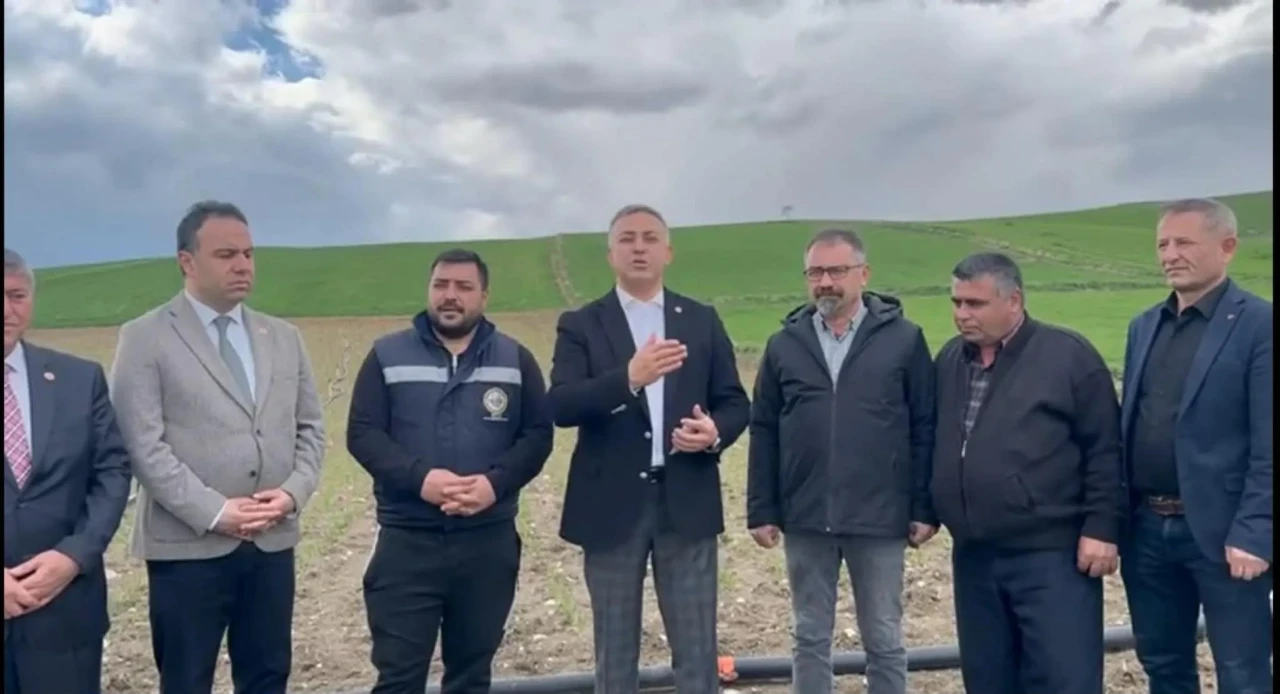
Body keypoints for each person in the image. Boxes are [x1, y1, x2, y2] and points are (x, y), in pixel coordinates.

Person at [108, 200, 327, 694]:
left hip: (271, 542)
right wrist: (215, 511)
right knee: (187, 680)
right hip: (188, 550)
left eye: (248, 254)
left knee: (268, 676)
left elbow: (311, 428)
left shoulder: (284, 337)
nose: (243, 265)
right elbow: (143, 445)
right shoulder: (144, 338)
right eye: (227, 255)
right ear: (187, 262)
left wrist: (291, 494)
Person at [548, 204, 751, 693]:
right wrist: (628, 379)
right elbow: (561, 404)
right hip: (610, 506)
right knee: (615, 650)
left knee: (697, 649)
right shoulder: (581, 324)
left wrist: (714, 432)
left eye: (649, 238)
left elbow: (735, 403)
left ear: (668, 252)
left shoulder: (700, 320)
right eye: (627, 239)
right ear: (610, 254)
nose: (639, 247)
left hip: (687, 501)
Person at [346, 248, 554, 694]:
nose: (450, 295)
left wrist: (494, 484)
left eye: (463, 286)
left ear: (484, 296)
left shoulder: (515, 360)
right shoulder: (386, 356)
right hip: (407, 544)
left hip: (487, 545)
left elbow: (538, 436)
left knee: (471, 677)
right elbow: (363, 434)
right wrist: (420, 479)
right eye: (441, 285)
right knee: (399, 677)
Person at [745, 228, 936, 694]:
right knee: (809, 635)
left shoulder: (905, 340)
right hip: (806, 513)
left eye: (836, 271)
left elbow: (925, 427)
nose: (825, 282)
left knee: (884, 637)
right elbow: (764, 429)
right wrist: (762, 508)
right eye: (815, 272)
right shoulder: (784, 345)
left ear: (863, 275)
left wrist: (924, 507)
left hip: (880, 515)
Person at [929, 252, 1123, 694]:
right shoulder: (950, 361)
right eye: (957, 302)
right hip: (974, 556)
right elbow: (934, 440)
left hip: (1051, 555)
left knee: (1063, 678)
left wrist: (1102, 527)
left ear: (1013, 300)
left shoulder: (1068, 357)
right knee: (988, 679)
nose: (962, 314)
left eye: (975, 304)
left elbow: (1105, 448)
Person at [1119, 197, 1273, 694]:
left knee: (1242, 672)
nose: (1170, 254)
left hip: (1225, 533)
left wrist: (1255, 532)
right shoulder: (1144, 326)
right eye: (1163, 244)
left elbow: (1270, 441)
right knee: (1163, 665)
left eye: (1183, 242)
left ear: (1227, 247)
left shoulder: (1260, 326)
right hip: (1147, 529)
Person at [3, 248, 133, 694]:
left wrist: (74, 556)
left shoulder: (80, 380)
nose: (6, 309)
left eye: (16, 295)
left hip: (64, 613)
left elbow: (112, 471)